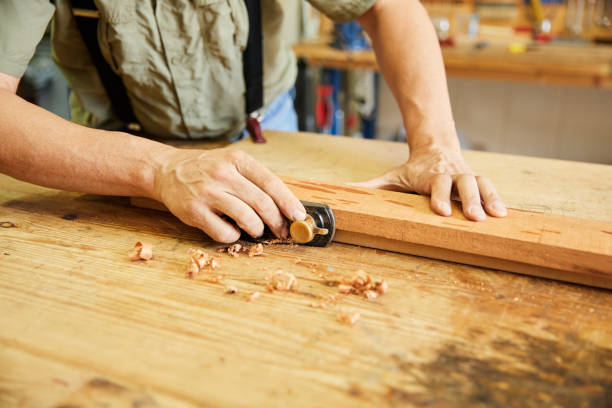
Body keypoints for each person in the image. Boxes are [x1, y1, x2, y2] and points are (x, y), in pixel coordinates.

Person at [0, 0, 507, 244]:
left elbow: (385, 7)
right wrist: (157, 168)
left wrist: (436, 145)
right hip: (116, 151)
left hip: (264, 127)